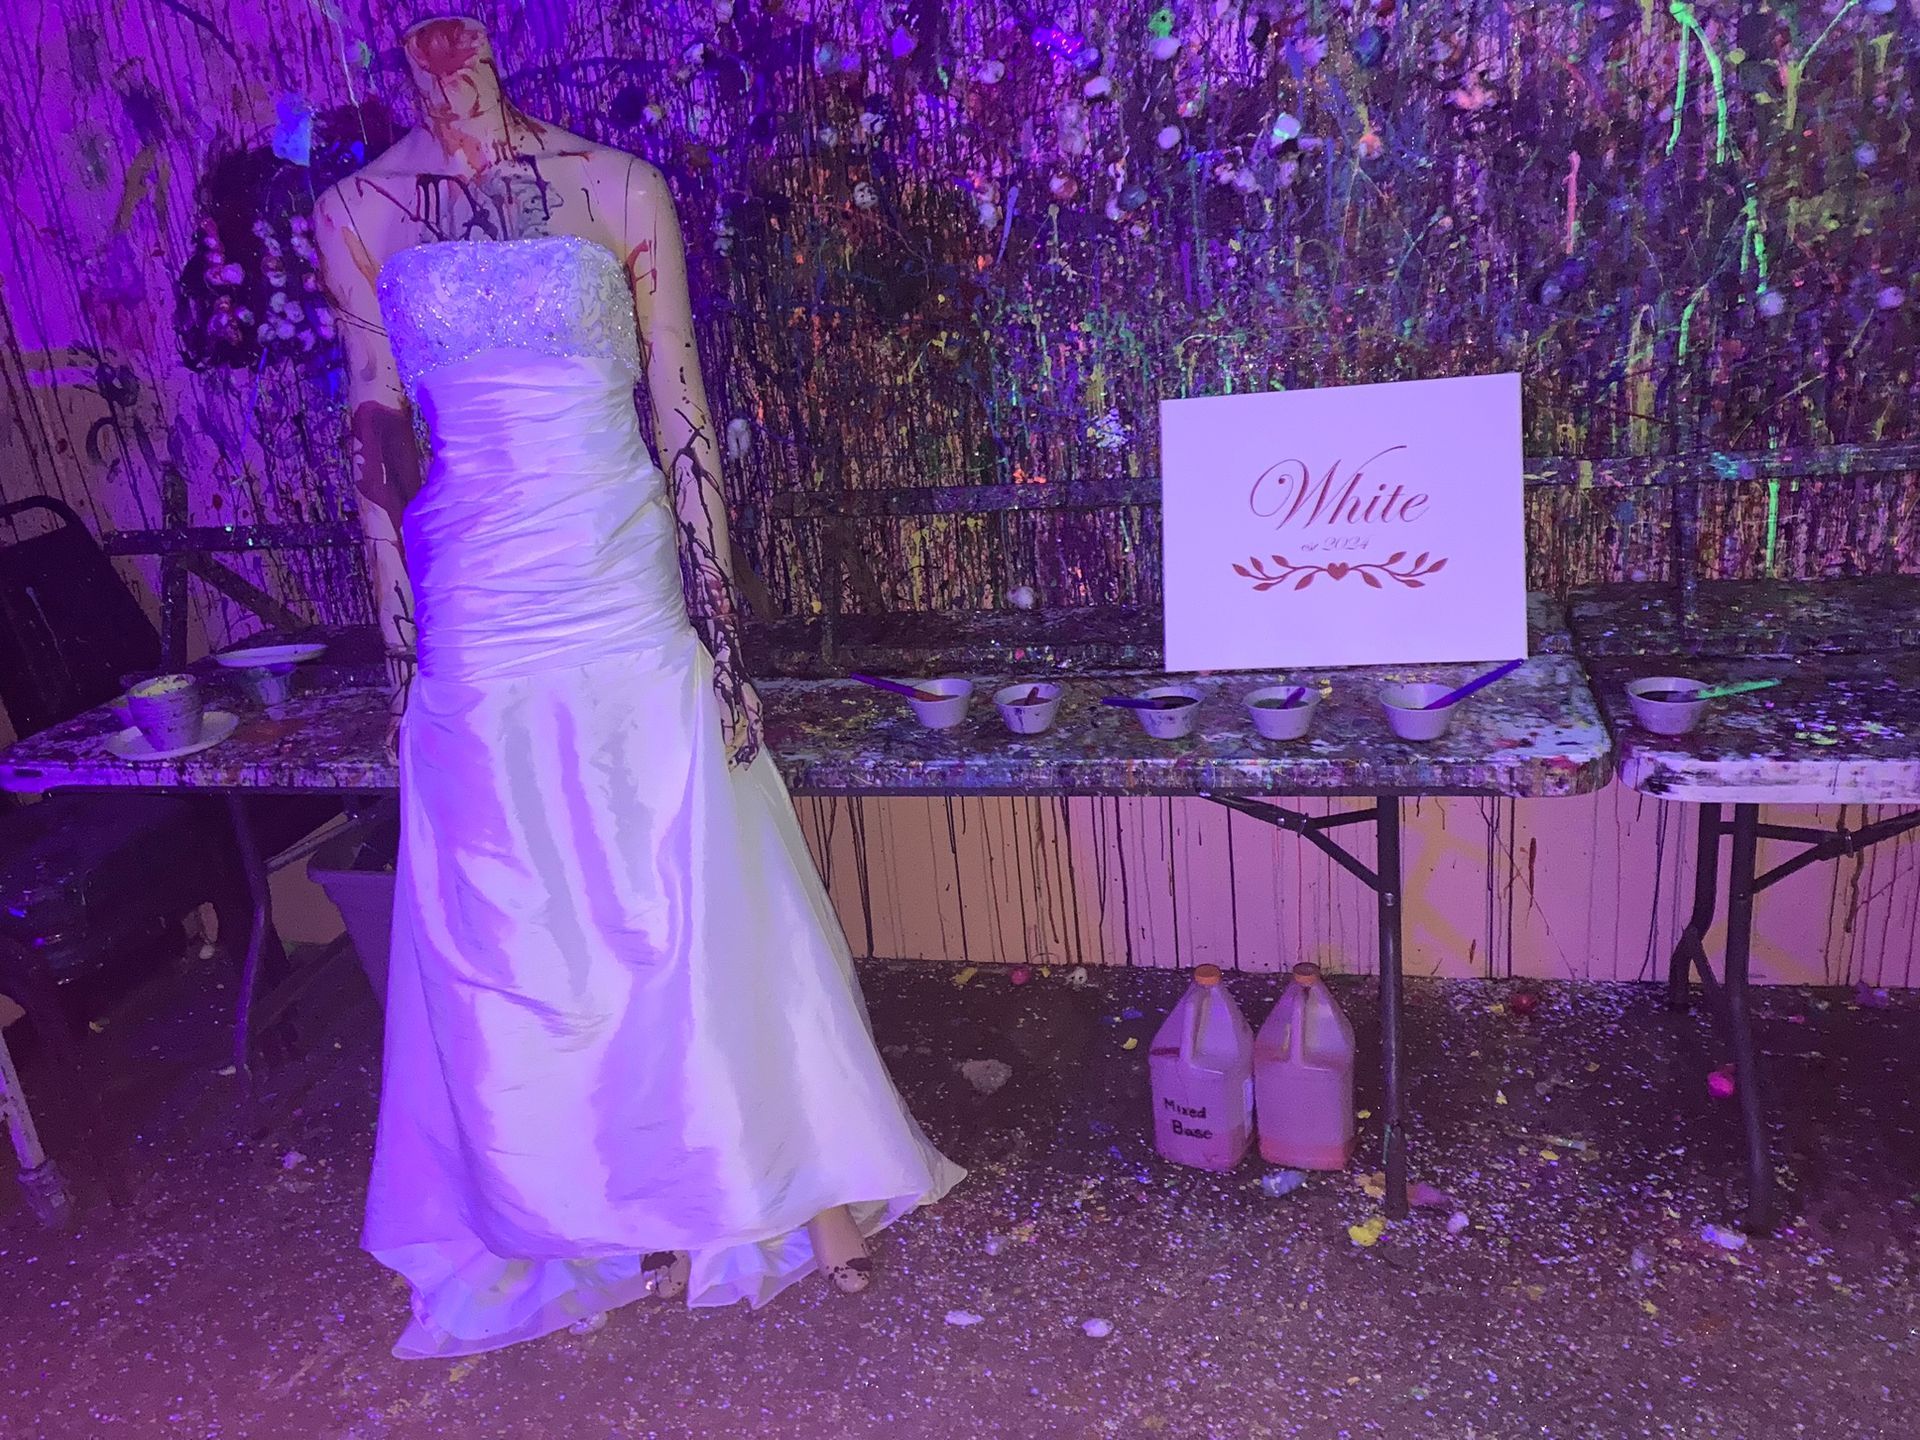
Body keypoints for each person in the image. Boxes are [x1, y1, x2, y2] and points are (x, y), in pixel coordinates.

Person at [312, 14, 962, 1359]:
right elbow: (374, 435)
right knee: (525, 903)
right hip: (475, 598)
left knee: (689, 869)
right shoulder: (359, 211)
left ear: (488, 41)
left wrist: (723, 640)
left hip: (620, 572)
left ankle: (786, 1182)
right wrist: (400, 659)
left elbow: (680, 408)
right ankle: (597, 1205)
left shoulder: (616, 187)